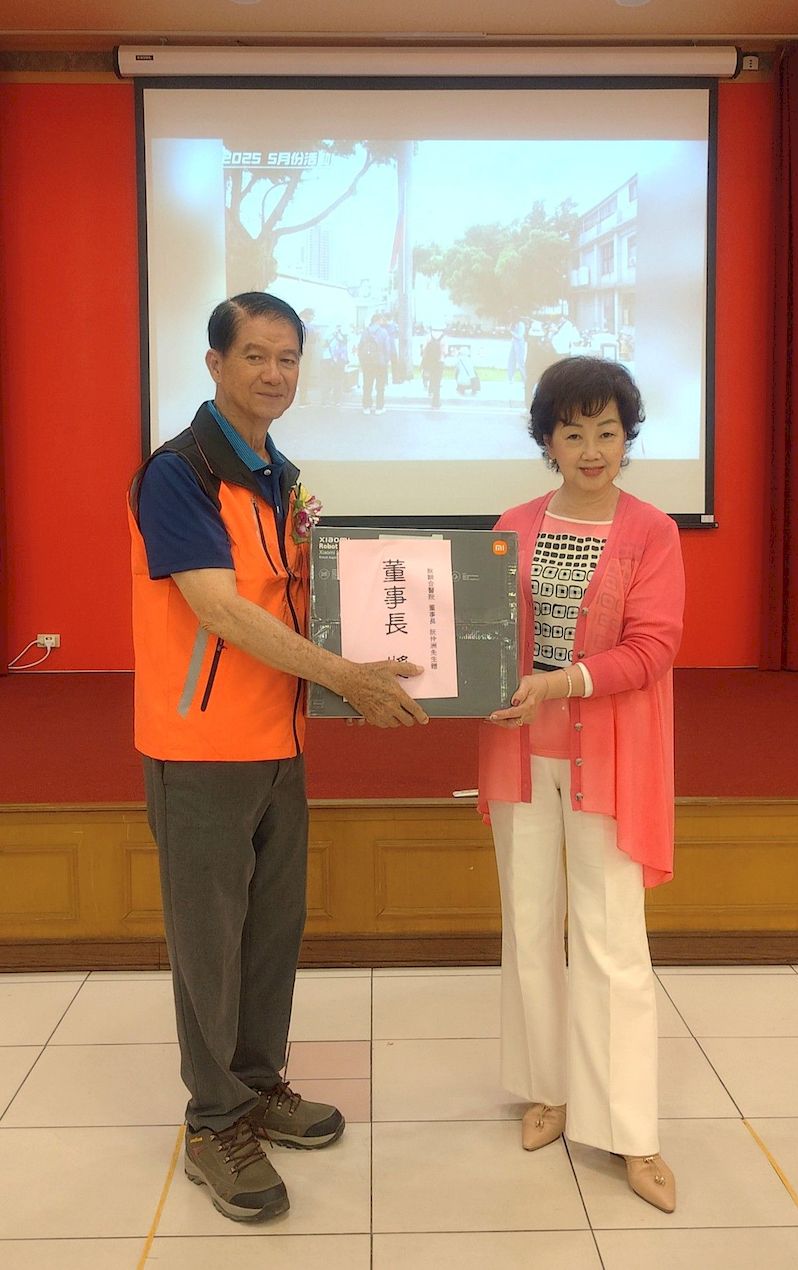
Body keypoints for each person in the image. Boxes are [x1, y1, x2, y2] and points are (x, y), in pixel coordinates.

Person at [128, 292, 428, 1224]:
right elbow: (219, 608)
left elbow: (300, 596)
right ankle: (214, 1120)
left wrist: (367, 668)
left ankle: (257, 1087)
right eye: (255, 355)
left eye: (288, 358)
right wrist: (349, 677)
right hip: (201, 747)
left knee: (268, 935)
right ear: (215, 364)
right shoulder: (178, 473)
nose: (274, 373)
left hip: (279, 740)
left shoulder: (278, 474)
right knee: (209, 945)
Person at [478, 355, 684, 1214]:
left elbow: (653, 648)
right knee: (530, 928)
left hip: (611, 761)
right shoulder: (512, 525)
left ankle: (631, 1131)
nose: (592, 449)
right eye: (573, 432)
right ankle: (549, 1089)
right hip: (521, 755)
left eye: (607, 431)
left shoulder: (652, 532)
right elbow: (485, 635)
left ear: (628, 438)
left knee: (611, 943)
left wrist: (561, 683)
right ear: (548, 441)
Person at [358, 312, 391, 414]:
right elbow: (387, 348)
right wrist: (386, 360)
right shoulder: (383, 332)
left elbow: (360, 346)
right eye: (381, 320)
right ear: (378, 320)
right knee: (380, 386)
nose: (382, 322)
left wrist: (362, 360)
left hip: (367, 362)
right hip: (380, 362)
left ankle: (366, 407)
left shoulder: (365, 332)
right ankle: (379, 408)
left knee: (367, 385)